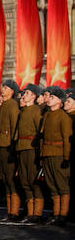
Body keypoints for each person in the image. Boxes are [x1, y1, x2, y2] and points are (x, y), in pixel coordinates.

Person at [40, 86, 71, 225]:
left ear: (60, 101)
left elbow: (66, 138)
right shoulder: (47, 115)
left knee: (62, 185)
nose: (49, 99)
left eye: (53, 97)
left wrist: (66, 157)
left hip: (58, 154)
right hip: (47, 152)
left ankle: (63, 215)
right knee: (51, 185)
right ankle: (56, 213)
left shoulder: (64, 117)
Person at [0, 80, 21, 220]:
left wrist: (13, 146)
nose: (2, 90)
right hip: (1, 145)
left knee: (10, 179)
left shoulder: (12, 106)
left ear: (12, 91)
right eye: (3, 87)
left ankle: (14, 211)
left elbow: (15, 126)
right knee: (5, 178)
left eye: (6, 88)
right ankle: (10, 210)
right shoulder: (4, 105)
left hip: (8, 145)